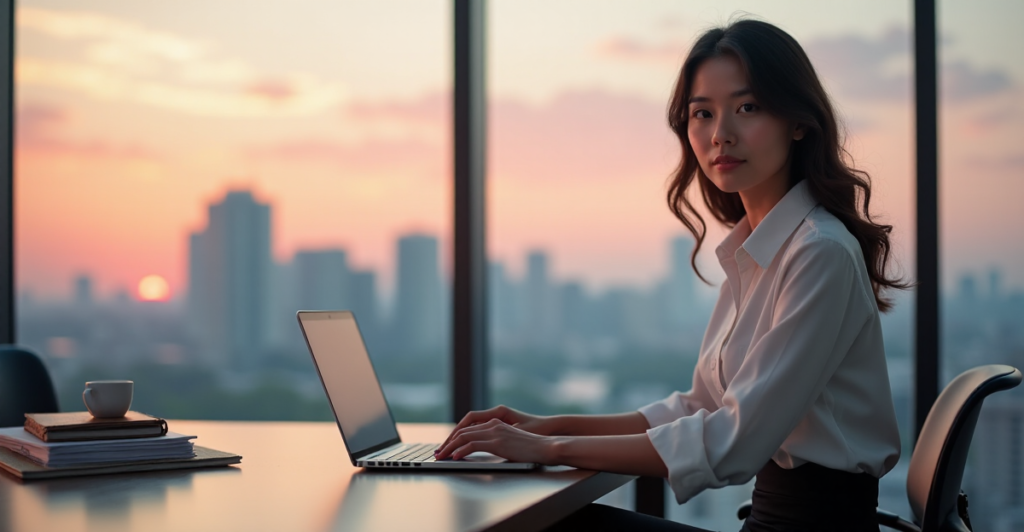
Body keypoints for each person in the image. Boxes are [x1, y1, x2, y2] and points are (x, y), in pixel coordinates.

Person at [435, 18, 906, 532]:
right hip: (771, 519)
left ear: (798, 121)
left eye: (747, 108)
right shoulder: (757, 251)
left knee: (544, 524)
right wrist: (547, 426)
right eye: (703, 113)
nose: (720, 134)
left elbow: (733, 442)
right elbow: (699, 405)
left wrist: (548, 449)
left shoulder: (819, 252)